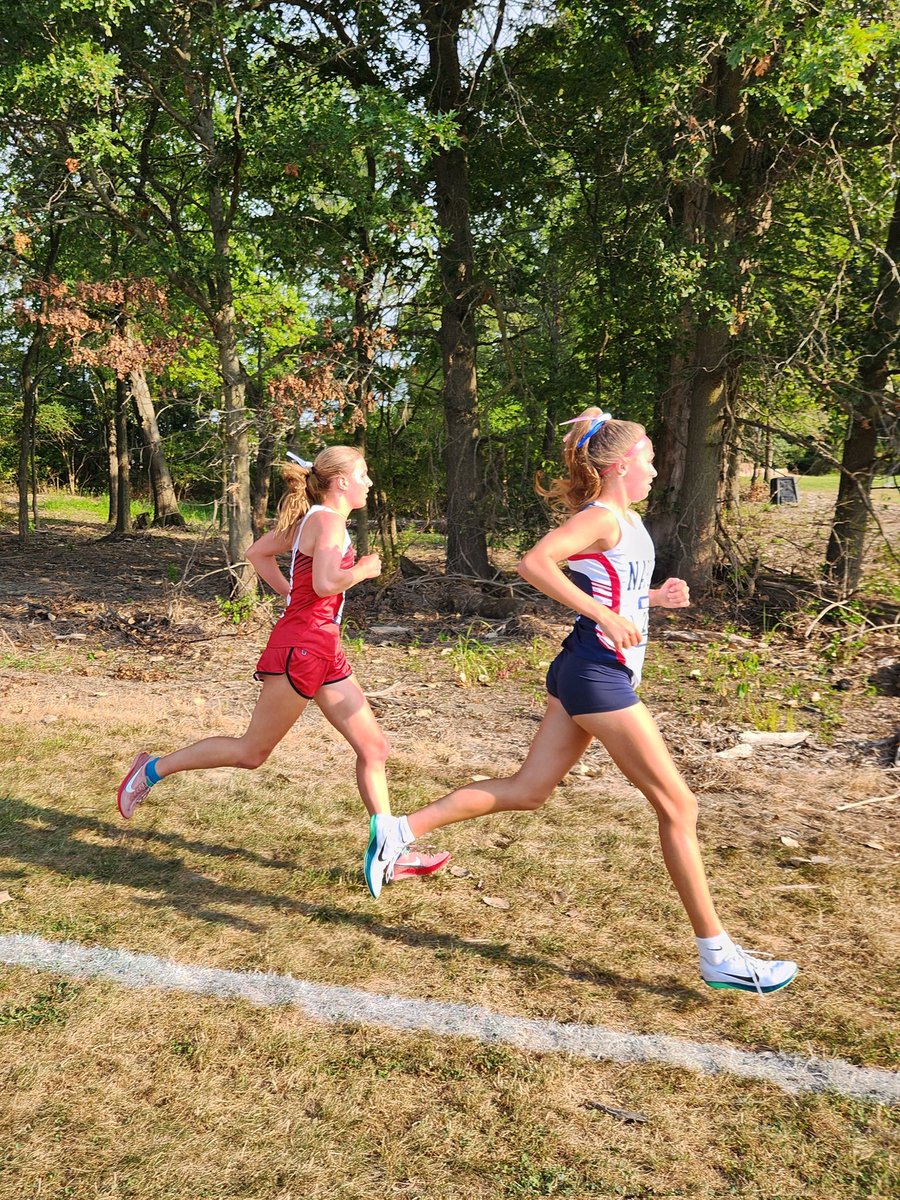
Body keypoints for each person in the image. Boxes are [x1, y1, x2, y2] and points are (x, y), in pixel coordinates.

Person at [364, 411, 798, 993]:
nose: (653, 467)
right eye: (645, 457)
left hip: (585, 670)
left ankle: (400, 831)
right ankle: (718, 956)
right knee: (680, 807)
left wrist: (653, 598)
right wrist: (603, 615)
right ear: (620, 466)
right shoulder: (598, 517)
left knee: (528, 789)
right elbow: (534, 564)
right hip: (596, 675)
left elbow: (610, 588)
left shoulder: (624, 518)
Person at [117, 445, 449, 883]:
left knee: (374, 747)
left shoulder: (313, 520)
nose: (369, 482)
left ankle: (390, 849)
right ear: (343, 481)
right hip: (304, 648)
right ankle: (151, 769)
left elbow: (258, 553)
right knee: (252, 752)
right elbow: (327, 581)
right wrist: (365, 571)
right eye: (364, 474)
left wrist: (291, 596)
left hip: (322, 646)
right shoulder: (327, 522)